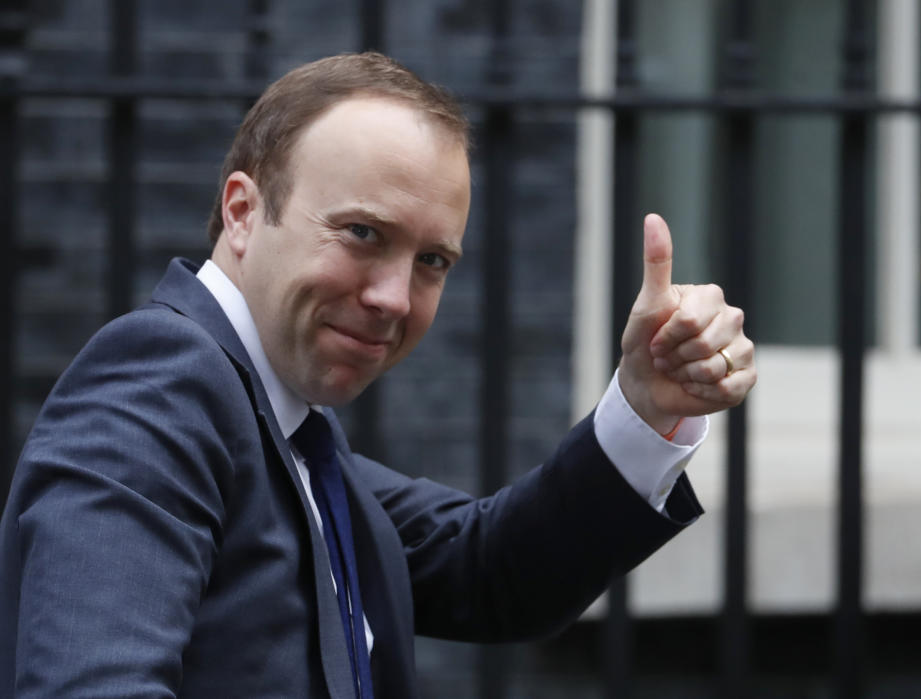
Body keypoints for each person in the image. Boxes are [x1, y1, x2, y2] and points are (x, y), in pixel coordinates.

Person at [0, 52, 756, 698]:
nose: (394, 298)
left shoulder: (284, 425)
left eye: (431, 262)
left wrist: (643, 406)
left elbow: (489, 570)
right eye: (363, 233)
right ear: (241, 211)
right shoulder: (159, 388)